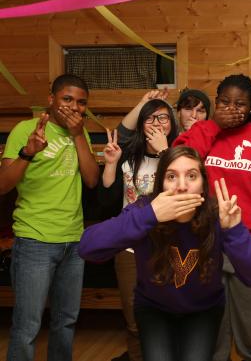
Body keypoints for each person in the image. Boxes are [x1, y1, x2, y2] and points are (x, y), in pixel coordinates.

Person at [79, 146, 251, 361]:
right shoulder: (145, 210)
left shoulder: (218, 215)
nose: (181, 186)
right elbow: (87, 247)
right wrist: (150, 215)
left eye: (191, 176)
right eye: (171, 176)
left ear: (202, 185)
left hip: (203, 309)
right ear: (161, 183)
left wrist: (234, 231)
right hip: (154, 308)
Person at [173, 74, 251, 361]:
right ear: (216, 102)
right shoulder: (203, 132)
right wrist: (213, 126)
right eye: (224, 102)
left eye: (240, 104)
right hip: (206, 238)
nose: (231, 108)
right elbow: (179, 161)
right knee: (210, 334)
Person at [0, 74, 99, 361]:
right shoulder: (26, 130)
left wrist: (79, 134)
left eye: (81, 103)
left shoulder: (80, 133)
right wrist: (28, 153)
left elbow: (91, 180)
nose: (74, 107)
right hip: (35, 240)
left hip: (73, 241)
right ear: (51, 99)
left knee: (65, 321)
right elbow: (4, 185)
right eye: (67, 99)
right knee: (27, 325)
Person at [98, 98, 179, 361]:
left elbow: (185, 195)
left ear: (171, 124)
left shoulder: (180, 156)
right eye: (150, 118)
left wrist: (166, 153)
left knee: (171, 320)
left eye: (163, 118)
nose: (157, 123)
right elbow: (106, 203)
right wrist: (111, 164)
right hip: (131, 249)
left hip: (171, 248)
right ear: (141, 124)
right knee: (134, 323)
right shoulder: (129, 158)